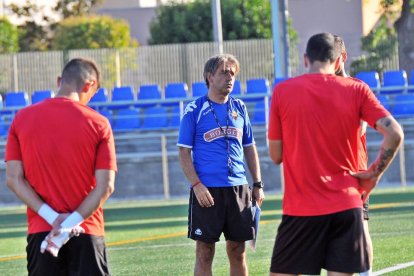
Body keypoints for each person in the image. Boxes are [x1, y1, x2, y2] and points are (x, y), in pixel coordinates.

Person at [268, 33, 403, 276]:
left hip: (301, 207)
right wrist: (374, 173)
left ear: (305, 59)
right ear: (338, 60)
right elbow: (394, 133)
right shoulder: (357, 90)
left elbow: (276, 155)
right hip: (346, 204)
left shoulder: (283, 91)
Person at [5, 57, 117, 275]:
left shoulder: (21, 118)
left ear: (59, 80)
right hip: (86, 229)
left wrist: (54, 220)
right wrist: (69, 223)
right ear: (89, 85)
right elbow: (106, 186)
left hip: (42, 231)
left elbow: (13, 179)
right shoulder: (99, 123)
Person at [177, 53, 265, 276]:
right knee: (205, 252)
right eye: (224, 72)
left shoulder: (240, 108)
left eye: (233, 73)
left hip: (239, 188)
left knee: (238, 251)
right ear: (209, 76)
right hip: (207, 190)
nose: (230, 77)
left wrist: (257, 183)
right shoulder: (194, 110)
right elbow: (183, 152)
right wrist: (197, 185)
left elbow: (250, 147)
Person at [334, 34, 373, 276]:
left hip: (355, 172)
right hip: (326, 174)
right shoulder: (319, 90)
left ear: (343, 57)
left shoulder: (358, 88)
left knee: (360, 230)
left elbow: (361, 125)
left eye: (332, 59)